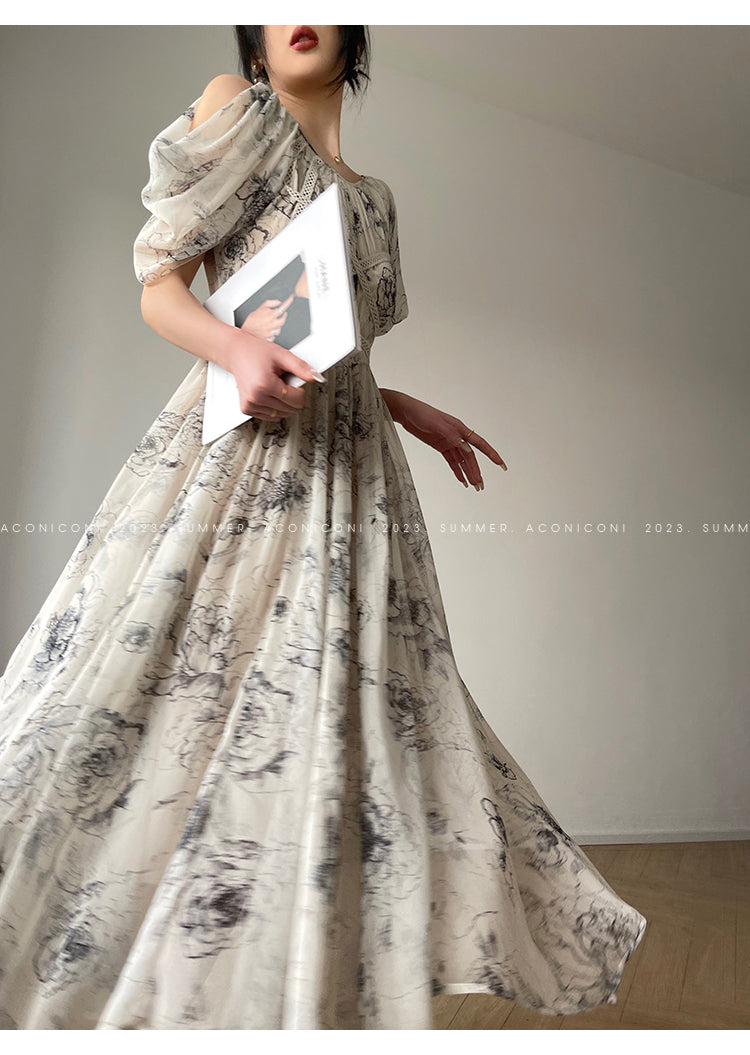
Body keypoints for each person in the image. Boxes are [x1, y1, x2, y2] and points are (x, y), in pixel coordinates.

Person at [0, 25, 646, 1030]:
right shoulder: (237, 109)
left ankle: (290, 980)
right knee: (156, 690)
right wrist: (231, 351)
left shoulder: (375, 199)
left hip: (358, 476)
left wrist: (403, 405)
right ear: (256, 44)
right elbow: (161, 285)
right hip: (248, 454)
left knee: (340, 712)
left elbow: (329, 345)